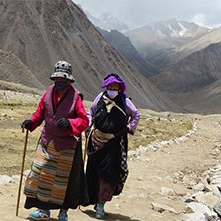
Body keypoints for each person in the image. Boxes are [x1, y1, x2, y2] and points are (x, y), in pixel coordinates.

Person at [21, 60, 89, 221]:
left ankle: (63, 212)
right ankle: (43, 209)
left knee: (64, 181)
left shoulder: (75, 97)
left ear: (69, 81)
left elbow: (84, 120)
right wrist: (31, 122)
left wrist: (70, 123)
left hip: (67, 146)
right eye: (58, 80)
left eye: (63, 81)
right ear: (54, 79)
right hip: (47, 142)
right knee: (41, 174)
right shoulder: (48, 93)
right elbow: (40, 113)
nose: (60, 83)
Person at [85, 73, 140, 219]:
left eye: (115, 86)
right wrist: (88, 124)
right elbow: (90, 111)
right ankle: (93, 200)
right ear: (106, 86)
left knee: (108, 174)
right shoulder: (100, 98)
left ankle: (101, 205)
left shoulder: (125, 101)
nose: (112, 88)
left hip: (114, 144)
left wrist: (129, 128)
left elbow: (136, 115)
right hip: (96, 142)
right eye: (110, 86)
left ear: (119, 88)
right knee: (93, 171)